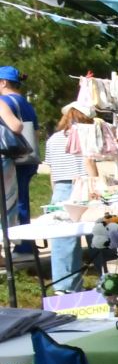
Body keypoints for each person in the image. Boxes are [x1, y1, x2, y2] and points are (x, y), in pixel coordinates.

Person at [41, 98, 102, 293]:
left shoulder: (53, 140)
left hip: (61, 189)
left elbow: (53, 173)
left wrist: (56, 194)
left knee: (63, 240)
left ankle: (65, 286)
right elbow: (89, 164)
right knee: (99, 235)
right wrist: (97, 187)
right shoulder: (86, 136)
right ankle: (107, 278)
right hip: (84, 187)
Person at [0, 65, 39, 244]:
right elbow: (35, 130)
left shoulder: (5, 101)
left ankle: (22, 245)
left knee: (12, 203)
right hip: (27, 155)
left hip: (10, 155)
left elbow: (14, 126)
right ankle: (25, 244)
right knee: (20, 200)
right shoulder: (25, 103)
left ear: (3, 82)